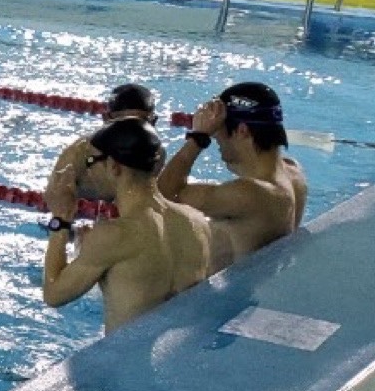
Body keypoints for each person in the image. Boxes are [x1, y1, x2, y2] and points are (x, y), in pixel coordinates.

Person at [40, 118, 212, 335]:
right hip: (178, 351)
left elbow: (53, 294)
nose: (88, 173)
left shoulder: (114, 235)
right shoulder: (197, 222)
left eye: (91, 162)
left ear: (114, 167)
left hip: (125, 354)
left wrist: (61, 219)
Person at [158, 80, 307, 270]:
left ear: (242, 131)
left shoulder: (250, 194)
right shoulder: (294, 174)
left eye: (217, 128)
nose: (215, 136)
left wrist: (198, 137)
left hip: (232, 288)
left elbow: (162, 197)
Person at [43, 83, 157, 222]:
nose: (131, 132)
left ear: (153, 122)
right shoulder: (79, 153)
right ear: (106, 120)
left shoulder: (155, 155)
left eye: (140, 123)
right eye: (124, 124)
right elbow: (53, 198)